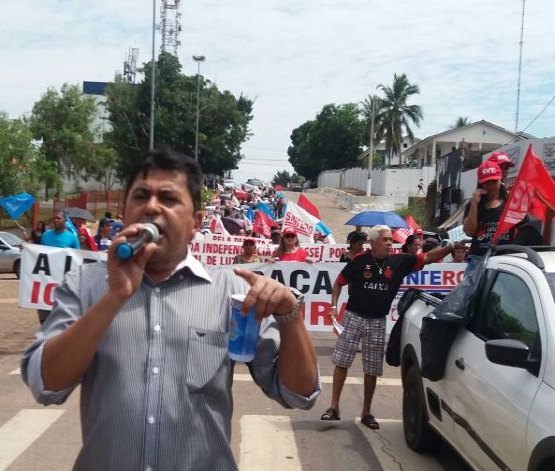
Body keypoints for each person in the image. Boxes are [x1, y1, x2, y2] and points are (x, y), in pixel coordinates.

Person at [21, 148, 320, 471]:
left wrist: (289, 316)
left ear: (196, 223)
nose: (151, 207)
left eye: (168, 198)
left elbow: (298, 394)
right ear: (125, 211)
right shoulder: (85, 284)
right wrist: (114, 297)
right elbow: (45, 384)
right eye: (141, 196)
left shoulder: (233, 293)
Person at [320, 225, 453, 429]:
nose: (390, 243)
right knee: (342, 362)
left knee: (372, 368)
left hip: (378, 321)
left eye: (391, 239)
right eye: (384, 239)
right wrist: (334, 306)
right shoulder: (359, 261)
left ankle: (366, 412)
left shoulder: (400, 261)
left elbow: (427, 257)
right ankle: (334, 407)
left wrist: (450, 248)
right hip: (354, 317)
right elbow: (338, 283)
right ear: (372, 243)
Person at [463, 160, 511, 271]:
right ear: (480, 183)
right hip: (477, 260)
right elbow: (469, 231)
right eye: (486, 182)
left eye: (494, 182)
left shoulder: (510, 203)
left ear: (500, 180)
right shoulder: (473, 205)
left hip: (504, 261)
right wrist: (474, 204)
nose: (490, 186)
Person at [37, 212, 80, 325]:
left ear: (65, 221)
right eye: (54, 218)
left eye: (58, 218)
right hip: (46, 281)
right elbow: (39, 254)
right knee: (44, 316)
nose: (55, 220)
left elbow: (78, 258)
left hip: (64, 282)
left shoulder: (72, 238)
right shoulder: (45, 235)